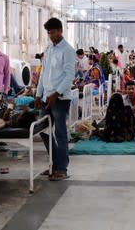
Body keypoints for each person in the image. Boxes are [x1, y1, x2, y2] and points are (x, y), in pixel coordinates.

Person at [34, 18, 75, 181]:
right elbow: (44, 74)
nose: (51, 36)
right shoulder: (49, 49)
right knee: (43, 130)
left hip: (60, 98)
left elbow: (69, 75)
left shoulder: (68, 50)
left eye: (53, 32)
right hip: (46, 97)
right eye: (49, 33)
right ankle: (54, 164)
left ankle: (62, 168)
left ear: (60, 30)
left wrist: (56, 94)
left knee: (60, 133)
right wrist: (38, 94)